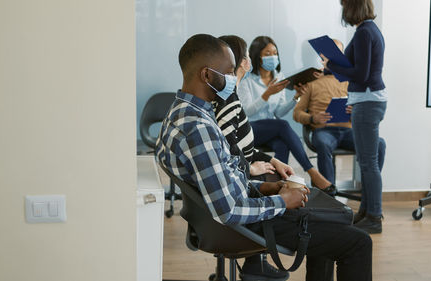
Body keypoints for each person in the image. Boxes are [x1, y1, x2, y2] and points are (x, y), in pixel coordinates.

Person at [156, 33, 372, 281]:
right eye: (228, 72)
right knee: (358, 241)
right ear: (206, 75)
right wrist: (282, 201)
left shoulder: (180, 112)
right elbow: (229, 210)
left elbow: (223, 176)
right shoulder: (198, 128)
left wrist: (268, 186)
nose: (233, 79)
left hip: (235, 211)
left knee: (335, 217)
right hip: (242, 223)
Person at [214, 35, 293, 280]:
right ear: (244, 62)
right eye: (248, 55)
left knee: (279, 150)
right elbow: (228, 149)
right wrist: (250, 168)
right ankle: (257, 258)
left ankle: (256, 260)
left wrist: (272, 160)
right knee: (281, 174)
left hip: (250, 163)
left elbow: (243, 145)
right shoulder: (228, 101)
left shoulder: (231, 97)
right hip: (239, 186)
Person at [320, 0, 387, 234]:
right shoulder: (367, 31)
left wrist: (333, 67)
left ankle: (374, 217)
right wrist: (332, 67)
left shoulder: (364, 33)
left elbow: (361, 73)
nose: (343, 11)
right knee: (367, 161)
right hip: (368, 100)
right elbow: (356, 67)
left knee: (368, 162)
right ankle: (366, 213)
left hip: (367, 101)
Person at [237, 36, 336, 193]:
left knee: (282, 143)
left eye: (275, 52)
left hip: (271, 129)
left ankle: (276, 185)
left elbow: (278, 112)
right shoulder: (247, 79)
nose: (272, 56)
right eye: (267, 53)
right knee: (282, 126)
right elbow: (247, 111)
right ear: (257, 56)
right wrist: (267, 94)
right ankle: (312, 172)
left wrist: (296, 97)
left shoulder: (279, 76)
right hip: (250, 129)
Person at [293, 39, 386, 187]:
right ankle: (328, 192)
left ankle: (369, 188)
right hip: (324, 131)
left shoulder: (353, 82)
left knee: (379, 143)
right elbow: (297, 113)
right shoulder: (311, 83)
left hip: (349, 131)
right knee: (323, 143)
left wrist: (356, 111)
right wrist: (312, 118)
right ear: (323, 57)